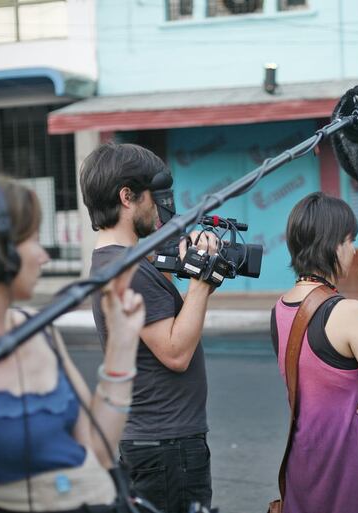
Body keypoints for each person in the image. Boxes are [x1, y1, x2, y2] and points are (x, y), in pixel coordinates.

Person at [0, 172, 145, 513]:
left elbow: (97, 451)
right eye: (33, 239)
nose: (43, 256)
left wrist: (122, 345)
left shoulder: (35, 327)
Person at [80, 142, 218, 513]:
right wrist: (203, 282)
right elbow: (175, 353)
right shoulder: (129, 270)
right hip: (167, 447)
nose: (158, 208)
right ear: (127, 197)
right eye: (151, 197)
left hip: (157, 443)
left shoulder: (119, 262)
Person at [271, 192, 358, 513]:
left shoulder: (279, 309)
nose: (354, 250)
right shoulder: (349, 312)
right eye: (351, 240)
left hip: (305, 457)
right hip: (352, 460)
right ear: (334, 245)